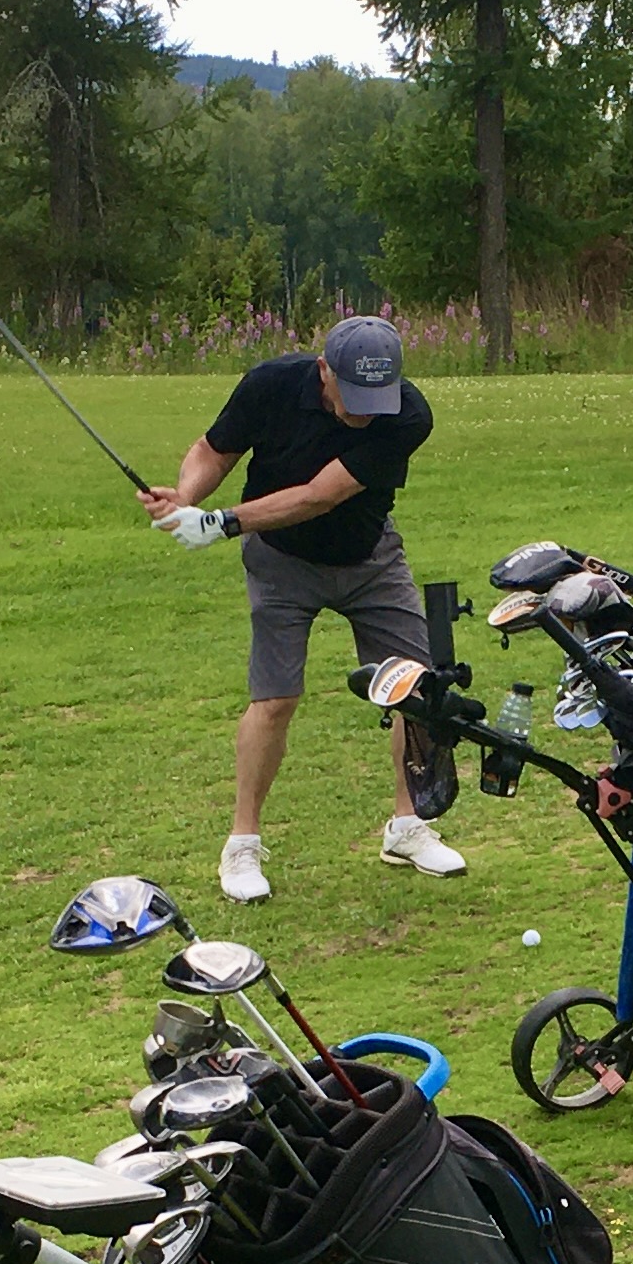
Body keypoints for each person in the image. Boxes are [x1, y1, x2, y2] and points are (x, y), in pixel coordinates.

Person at [139, 315, 463, 903]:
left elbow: (320, 495)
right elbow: (215, 449)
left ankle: (407, 826)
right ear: (324, 372)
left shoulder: (409, 416)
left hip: (369, 559)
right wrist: (185, 500)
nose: (366, 413)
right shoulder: (271, 384)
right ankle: (241, 843)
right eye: (355, 397)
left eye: (377, 398)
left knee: (417, 691)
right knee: (276, 698)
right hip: (282, 562)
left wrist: (220, 523)